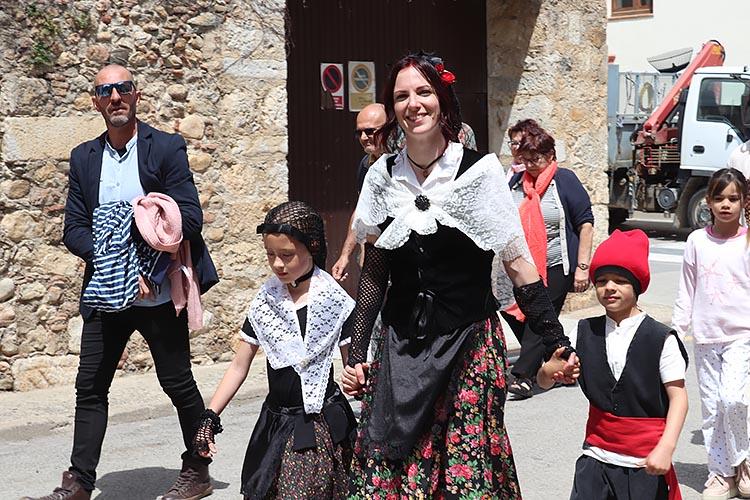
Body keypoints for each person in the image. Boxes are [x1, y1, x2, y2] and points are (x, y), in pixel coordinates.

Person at [341, 52, 578, 498]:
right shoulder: (381, 177)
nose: (414, 104)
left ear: (442, 100)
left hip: (468, 343)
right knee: (395, 466)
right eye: (402, 96)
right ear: (392, 109)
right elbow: (374, 274)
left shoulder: (479, 172)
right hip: (401, 346)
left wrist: (555, 341)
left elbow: (518, 265)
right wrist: (356, 353)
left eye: (424, 92)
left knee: (464, 475)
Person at [23, 64, 219, 500]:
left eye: (123, 88)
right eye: (105, 91)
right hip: (106, 293)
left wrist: (147, 266)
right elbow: (74, 228)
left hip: (157, 291)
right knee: (90, 387)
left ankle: (198, 471)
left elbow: (188, 218)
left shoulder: (165, 148)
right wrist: (116, 265)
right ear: (95, 101)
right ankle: (80, 482)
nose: (115, 97)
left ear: (136, 95)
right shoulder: (84, 158)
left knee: (178, 383)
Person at [191, 201, 357, 499]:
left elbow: (352, 366)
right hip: (275, 423)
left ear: (313, 247)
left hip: (317, 424)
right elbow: (238, 366)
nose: (278, 264)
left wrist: (357, 378)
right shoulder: (266, 300)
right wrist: (209, 417)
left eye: (287, 255)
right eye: (270, 255)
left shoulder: (334, 301)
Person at [539, 229, 688, 500]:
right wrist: (550, 370)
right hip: (595, 459)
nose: (609, 287)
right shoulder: (583, 331)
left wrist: (666, 447)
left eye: (620, 281)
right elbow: (544, 379)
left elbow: (678, 398)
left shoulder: (661, 339)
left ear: (637, 286)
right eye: (602, 280)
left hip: (644, 463)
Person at [672, 168, 750, 500]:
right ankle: (721, 474)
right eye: (719, 198)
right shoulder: (696, 241)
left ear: (744, 202)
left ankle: (743, 462)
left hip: (742, 336)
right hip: (705, 338)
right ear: (708, 201)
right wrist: (676, 334)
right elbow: (686, 290)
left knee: (733, 400)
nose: (726, 205)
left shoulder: (748, 241)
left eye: (733, 198)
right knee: (713, 409)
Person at [501, 125, 594, 399]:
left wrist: (582, 267)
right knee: (515, 313)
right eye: (526, 160)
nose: (530, 165)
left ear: (551, 155)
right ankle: (565, 358)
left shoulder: (564, 180)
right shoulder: (516, 183)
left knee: (537, 318)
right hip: (523, 266)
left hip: (556, 265)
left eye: (536, 159)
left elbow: (585, 224)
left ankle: (523, 375)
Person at [332, 103, 387, 281]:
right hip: (374, 255)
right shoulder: (366, 165)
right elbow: (361, 210)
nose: (363, 137)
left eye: (370, 131)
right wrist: (345, 255)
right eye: (359, 133)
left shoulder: (405, 161)